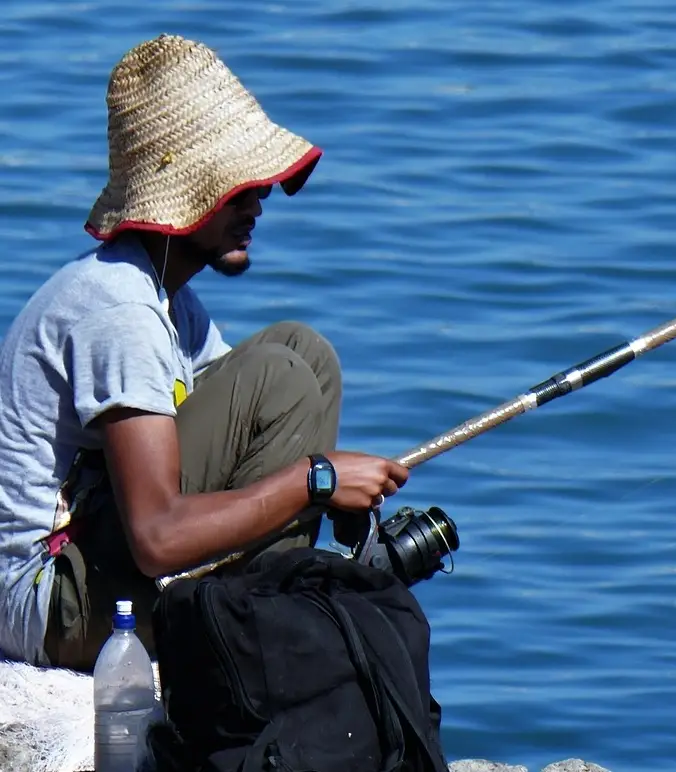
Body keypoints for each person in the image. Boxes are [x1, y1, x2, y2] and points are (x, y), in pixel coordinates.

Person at [0, 33, 411, 672]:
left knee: (304, 352)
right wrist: (318, 480)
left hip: (94, 555)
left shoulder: (165, 296)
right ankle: (263, 623)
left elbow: (246, 432)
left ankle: (271, 596)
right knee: (279, 376)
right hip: (49, 599)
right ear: (184, 197)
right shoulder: (120, 311)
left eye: (260, 189)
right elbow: (158, 537)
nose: (260, 205)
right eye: (240, 191)